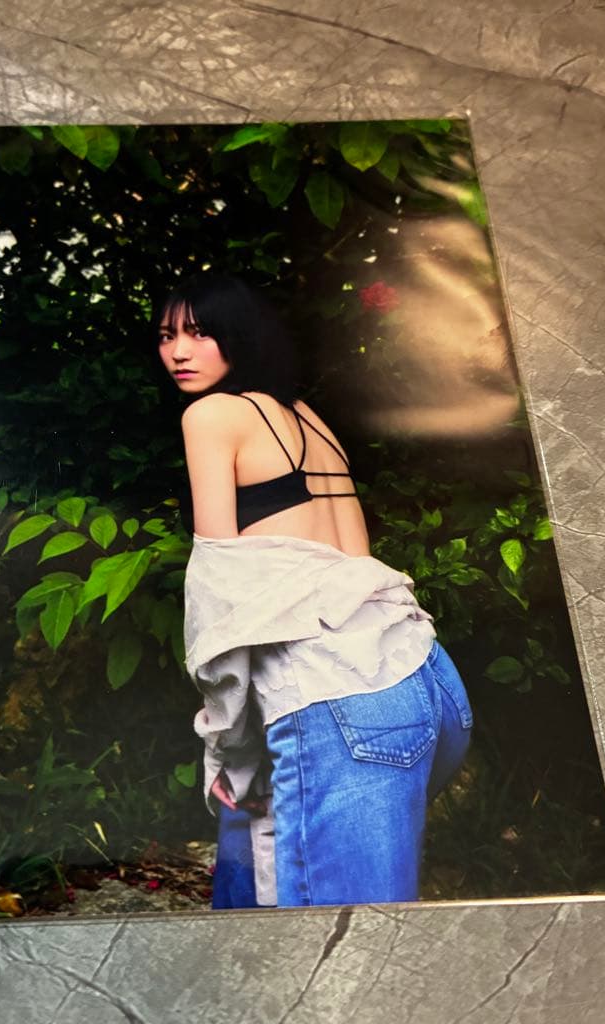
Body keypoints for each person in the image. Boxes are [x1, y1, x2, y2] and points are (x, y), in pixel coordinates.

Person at [156, 273, 473, 908]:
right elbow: (354, 565)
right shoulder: (311, 420)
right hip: (427, 679)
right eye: (166, 335)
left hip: (338, 699)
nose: (179, 351)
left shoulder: (211, 415)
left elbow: (221, 596)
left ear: (239, 334)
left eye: (199, 332)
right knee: (264, 894)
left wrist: (228, 749)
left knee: (335, 937)